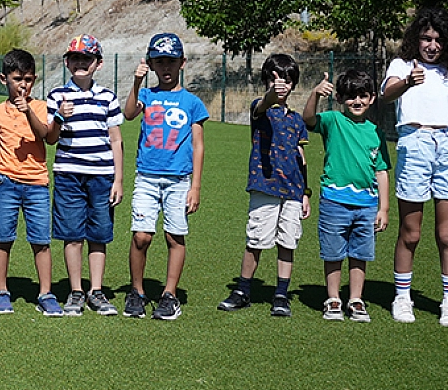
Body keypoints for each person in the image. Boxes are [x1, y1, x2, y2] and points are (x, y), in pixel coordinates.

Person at [381, 7, 448, 327]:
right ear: (416, 39)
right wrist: (407, 82)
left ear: (447, 43)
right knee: (411, 231)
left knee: (447, 233)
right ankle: (402, 297)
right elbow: (386, 94)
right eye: (425, 38)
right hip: (415, 145)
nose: (431, 45)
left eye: (437, 39)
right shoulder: (402, 66)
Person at [122, 32, 208, 320]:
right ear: (151, 64)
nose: (166, 68)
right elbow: (130, 113)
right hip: (146, 176)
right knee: (141, 237)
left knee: (175, 236)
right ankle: (137, 292)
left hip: (179, 179)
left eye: (171, 61)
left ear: (182, 63)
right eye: (159, 62)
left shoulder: (192, 102)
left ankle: (169, 295)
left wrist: (195, 186)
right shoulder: (146, 94)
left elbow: (198, 145)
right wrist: (136, 82)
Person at [219, 54, 309, 317]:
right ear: (266, 81)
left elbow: (302, 160)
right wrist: (272, 93)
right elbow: (266, 101)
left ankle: (281, 294)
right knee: (256, 239)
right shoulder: (260, 108)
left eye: (287, 80)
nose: (281, 85)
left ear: (294, 84)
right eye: (275, 79)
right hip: (265, 186)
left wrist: (305, 192)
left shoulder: (297, 120)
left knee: (288, 242)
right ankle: (243, 290)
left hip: (292, 191)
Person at [45, 35, 124, 317]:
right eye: (75, 58)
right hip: (68, 174)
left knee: (99, 233)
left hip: (102, 176)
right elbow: (51, 139)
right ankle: (76, 291)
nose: (80, 63)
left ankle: (97, 291)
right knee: (72, 234)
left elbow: (116, 140)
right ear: (67, 62)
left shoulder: (108, 97)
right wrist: (59, 117)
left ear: (98, 64)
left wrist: (118, 180)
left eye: (86, 58)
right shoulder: (56, 96)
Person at [303, 68, 390, 322]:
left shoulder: (376, 132)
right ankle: (332, 299)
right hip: (334, 201)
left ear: (372, 98)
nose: (357, 102)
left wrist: (383, 208)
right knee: (333, 253)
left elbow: (382, 172)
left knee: (360, 254)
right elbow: (308, 119)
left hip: (367, 205)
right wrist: (315, 94)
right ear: (340, 99)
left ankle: (355, 300)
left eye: (363, 96)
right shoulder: (333, 121)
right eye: (351, 97)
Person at [0, 49, 56, 316]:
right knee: (3, 238)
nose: (22, 85)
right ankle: (1, 291)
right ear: (4, 79)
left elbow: (45, 135)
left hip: (37, 183)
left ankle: (46, 293)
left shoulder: (40, 107)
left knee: (41, 240)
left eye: (27, 79)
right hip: (6, 182)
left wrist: (28, 113)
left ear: (34, 79)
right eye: (17, 79)